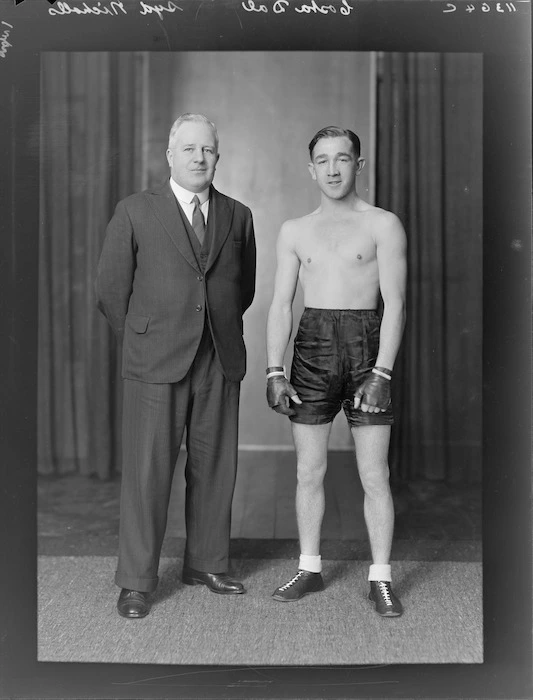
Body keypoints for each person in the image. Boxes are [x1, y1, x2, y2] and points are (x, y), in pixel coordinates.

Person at [96, 113, 256, 619]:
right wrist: (146, 337)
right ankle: (137, 582)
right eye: (188, 149)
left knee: (215, 468)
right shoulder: (135, 211)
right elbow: (110, 291)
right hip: (155, 360)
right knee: (147, 473)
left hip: (219, 356)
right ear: (170, 156)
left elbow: (242, 289)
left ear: (217, 155)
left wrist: (214, 329)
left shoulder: (238, 215)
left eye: (206, 149)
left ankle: (206, 563)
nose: (198, 158)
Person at [265, 126, 407, 617]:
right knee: (309, 469)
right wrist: (273, 368)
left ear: (358, 165)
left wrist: (382, 371)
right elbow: (281, 305)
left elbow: (396, 304)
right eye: (322, 160)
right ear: (311, 169)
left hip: (368, 349)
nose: (332, 169)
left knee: (374, 473)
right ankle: (309, 567)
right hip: (312, 351)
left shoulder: (383, 225)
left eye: (342, 159)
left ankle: (381, 577)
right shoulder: (294, 230)